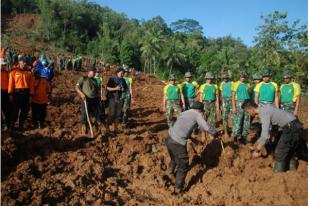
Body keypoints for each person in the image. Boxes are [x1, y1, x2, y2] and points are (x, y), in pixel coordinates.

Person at [165, 101, 218, 193]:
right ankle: (178, 188)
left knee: (174, 157)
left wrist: (190, 137)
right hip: (177, 142)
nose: (202, 113)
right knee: (184, 166)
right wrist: (215, 133)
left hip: (169, 138)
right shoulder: (197, 114)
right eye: (202, 111)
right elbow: (205, 126)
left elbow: (182, 125)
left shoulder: (185, 112)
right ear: (199, 110)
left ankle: (169, 172)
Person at [242, 100, 303, 172]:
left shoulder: (263, 113)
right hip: (294, 125)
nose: (248, 114)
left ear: (251, 109)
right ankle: (292, 170)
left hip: (291, 128)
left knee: (279, 152)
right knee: (288, 148)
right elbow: (269, 129)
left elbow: (265, 135)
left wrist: (257, 150)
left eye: (247, 112)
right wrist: (257, 144)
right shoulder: (264, 107)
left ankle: (278, 176)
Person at [8, 56, 33, 130]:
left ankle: (21, 125)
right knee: (15, 109)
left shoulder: (29, 72)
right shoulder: (14, 71)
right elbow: (11, 83)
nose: (25, 64)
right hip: (17, 93)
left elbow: (31, 85)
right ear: (19, 62)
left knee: (24, 110)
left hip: (26, 92)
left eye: (26, 62)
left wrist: (31, 95)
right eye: (23, 62)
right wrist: (10, 94)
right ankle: (12, 124)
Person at [76, 67, 103, 135]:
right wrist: (81, 94)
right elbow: (76, 87)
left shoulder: (94, 80)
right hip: (86, 99)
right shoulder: (83, 78)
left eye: (95, 73)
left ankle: (95, 123)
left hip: (94, 99)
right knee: (85, 113)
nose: (94, 74)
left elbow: (97, 90)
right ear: (89, 72)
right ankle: (84, 124)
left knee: (95, 112)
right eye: (93, 73)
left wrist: (99, 97)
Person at [106, 67, 128, 134]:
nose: (122, 75)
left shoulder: (123, 80)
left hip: (119, 99)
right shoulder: (112, 79)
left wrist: (123, 89)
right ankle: (107, 128)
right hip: (112, 98)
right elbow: (107, 88)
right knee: (111, 114)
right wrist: (115, 88)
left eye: (123, 73)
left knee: (118, 115)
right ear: (117, 73)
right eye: (121, 73)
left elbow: (126, 89)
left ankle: (116, 128)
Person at [231, 71, 251, 144]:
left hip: (247, 104)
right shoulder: (235, 84)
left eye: (244, 77)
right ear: (239, 77)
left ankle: (243, 137)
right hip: (239, 103)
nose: (243, 78)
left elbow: (249, 94)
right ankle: (235, 137)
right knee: (238, 121)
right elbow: (233, 96)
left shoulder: (248, 85)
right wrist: (233, 107)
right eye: (242, 77)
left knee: (246, 121)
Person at [1, 59, 11, 130]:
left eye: (4, 65)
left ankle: (8, 125)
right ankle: (1, 125)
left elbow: (10, 83)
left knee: (7, 110)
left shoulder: (7, 73)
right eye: (2, 65)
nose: (4, 66)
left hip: (6, 94)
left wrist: (10, 93)